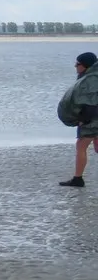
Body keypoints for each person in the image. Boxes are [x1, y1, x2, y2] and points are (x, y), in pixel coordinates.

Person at [57, 51, 98, 187]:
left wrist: (84, 120)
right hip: (94, 117)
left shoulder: (91, 80)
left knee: (81, 145)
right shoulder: (91, 76)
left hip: (92, 119)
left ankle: (78, 179)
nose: (75, 66)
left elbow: (91, 103)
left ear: (85, 65)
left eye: (78, 64)